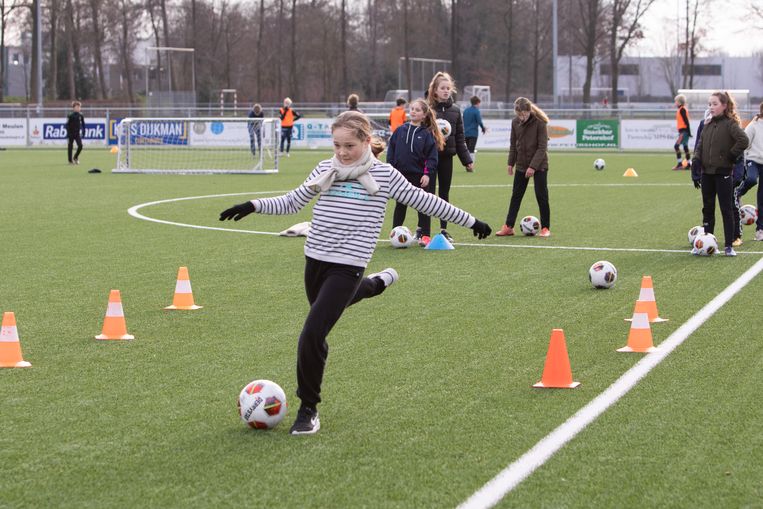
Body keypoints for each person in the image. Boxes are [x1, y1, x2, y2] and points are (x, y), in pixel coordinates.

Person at [219, 111, 492, 435]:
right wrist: (252, 205)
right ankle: (375, 284)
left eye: (349, 145)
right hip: (314, 260)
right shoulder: (325, 169)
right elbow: (292, 202)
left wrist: (472, 221)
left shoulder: (385, 175)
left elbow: (427, 202)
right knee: (328, 314)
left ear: (366, 141)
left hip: (348, 265)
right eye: (337, 145)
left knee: (313, 334)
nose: (342, 152)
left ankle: (308, 409)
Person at [691, 91, 749, 256]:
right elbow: (700, 145)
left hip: (723, 173)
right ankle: (707, 243)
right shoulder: (707, 124)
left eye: (715, 104)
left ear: (724, 106)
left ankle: (729, 246)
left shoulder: (730, 124)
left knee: (726, 209)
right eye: (709, 104)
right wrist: (696, 161)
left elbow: (743, 140)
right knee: (707, 209)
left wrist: (730, 156)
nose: (711, 107)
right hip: (706, 174)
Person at [386, 98, 445, 246]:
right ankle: (395, 234)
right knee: (400, 205)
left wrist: (427, 173)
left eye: (417, 110)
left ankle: (425, 236)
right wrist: (391, 170)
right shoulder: (400, 130)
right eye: (412, 109)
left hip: (419, 177)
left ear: (424, 115)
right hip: (400, 176)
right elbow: (391, 151)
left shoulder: (426, 134)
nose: (413, 112)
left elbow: (431, 157)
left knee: (423, 206)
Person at [426, 72, 474, 243]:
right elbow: (420, 135)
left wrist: (467, 160)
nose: (446, 91)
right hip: (429, 159)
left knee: (444, 194)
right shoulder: (427, 110)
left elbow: (460, 138)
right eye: (442, 88)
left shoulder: (455, 111)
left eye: (448, 88)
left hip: (447, 158)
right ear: (435, 90)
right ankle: (424, 231)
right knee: (427, 195)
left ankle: (443, 230)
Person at [495, 97, 552, 238]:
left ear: (529, 110)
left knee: (541, 195)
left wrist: (533, 167)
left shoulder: (540, 123)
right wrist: (510, 163)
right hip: (521, 164)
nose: (522, 117)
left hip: (539, 165)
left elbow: (542, 147)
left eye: (524, 114)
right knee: (516, 196)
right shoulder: (515, 122)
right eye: (519, 115)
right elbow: (513, 144)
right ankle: (508, 227)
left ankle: (545, 228)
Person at [745, 102, 763, 241]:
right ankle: (738, 192)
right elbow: (744, 142)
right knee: (751, 179)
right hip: (753, 160)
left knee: (762, 198)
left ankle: (760, 230)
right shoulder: (754, 125)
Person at [463, 96, 486, 163]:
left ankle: (467, 163)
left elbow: (462, 120)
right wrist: (483, 129)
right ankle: (471, 164)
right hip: (473, 133)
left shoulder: (465, 110)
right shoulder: (476, 111)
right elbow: (479, 121)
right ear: (477, 103)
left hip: (465, 133)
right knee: (472, 149)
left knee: (467, 149)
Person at [672, 94, 692, 170]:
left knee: (676, 146)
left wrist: (688, 132)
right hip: (684, 131)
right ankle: (689, 164)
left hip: (684, 132)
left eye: (676, 101)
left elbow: (686, 121)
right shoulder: (681, 109)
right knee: (685, 147)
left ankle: (680, 164)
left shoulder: (682, 110)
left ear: (679, 102)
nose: (675, 103)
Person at [66, 101, 85, 165]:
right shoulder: (70, 115)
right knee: (70, 146)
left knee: (80, 145)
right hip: (71, 133)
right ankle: (70, 161)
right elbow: (67, 124)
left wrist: (84, 131)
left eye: (79, 107)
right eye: (77, 107)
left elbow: (83, 124)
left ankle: (75, 157)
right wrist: (68, 132)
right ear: (73, 108)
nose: (78, 108)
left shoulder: (81, 115)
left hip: (77, 134)